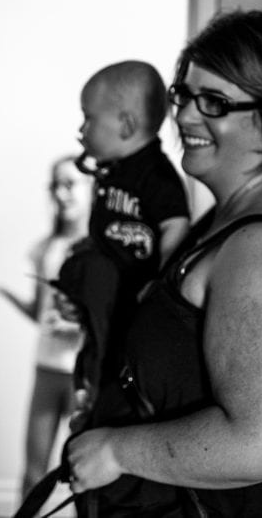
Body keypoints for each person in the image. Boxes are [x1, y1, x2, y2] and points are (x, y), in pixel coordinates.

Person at [65, 10, 262, 516]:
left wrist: (116, 450)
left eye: (215, 102)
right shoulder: (243, 211)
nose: (184, 117)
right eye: (185, 94)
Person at [62, 60, 190, 426]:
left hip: (134, 305)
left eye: (89, 118)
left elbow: (176, 225)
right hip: (104, 303)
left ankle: (100, 404)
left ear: (127, 125)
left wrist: (160, 283)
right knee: (95, 355)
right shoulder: (110, 172)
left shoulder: (157, 175)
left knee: (116, 367)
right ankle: (89, 394)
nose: (82, 129)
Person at [0, 155, 94, 499]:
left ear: (91, 188)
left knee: (84, 473)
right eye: (56, 184)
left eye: (70, 183)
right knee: (33, 471)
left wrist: (80, 331)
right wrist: (1, 289)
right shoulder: (46, 249)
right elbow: (39, 315)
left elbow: (108, 320)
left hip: (83, 376)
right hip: (45, 371)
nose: (62, 193)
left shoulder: (98, 252)